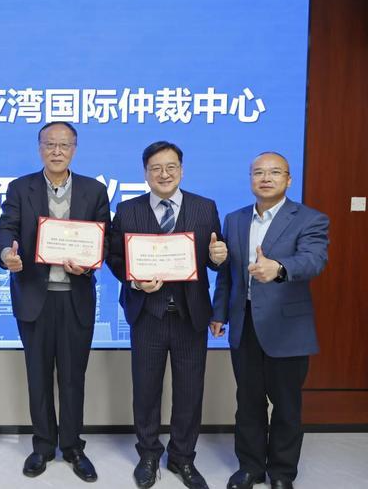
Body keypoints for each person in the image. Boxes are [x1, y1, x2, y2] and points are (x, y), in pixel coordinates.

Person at [0, 121, 110, 482]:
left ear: (74, 148)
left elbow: (105, 238)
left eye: (64, 145)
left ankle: (73, 447)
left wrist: (89, 262)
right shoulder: (20, 188)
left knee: (74, 377)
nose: (57, 151)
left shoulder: (94, 190)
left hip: (76, 297)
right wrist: (6, 255)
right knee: (38, 376)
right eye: (50, 144)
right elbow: (5, 228)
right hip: (34, 297)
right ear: (39, 147)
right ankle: (43, 446)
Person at [106, 141, 227, 489]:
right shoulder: (127, 210)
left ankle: (182, 457)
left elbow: (214, 257)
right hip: (147, 314)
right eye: (156, 168)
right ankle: (148, 454)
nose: (164, 174)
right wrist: (134, 280)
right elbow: (114, 256)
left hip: (191, 315)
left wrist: (218, 257)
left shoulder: (205, 208)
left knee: (190, 390)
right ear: (145, 173)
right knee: (146, 390)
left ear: (181, 170)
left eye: (171, 167)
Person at [211, 152, 329, 489]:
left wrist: (279, 268)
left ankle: (281, 472)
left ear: (288, 179)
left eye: (275, 172)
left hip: (287, 327)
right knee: (248, 402)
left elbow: (314, 260)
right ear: (250, 179)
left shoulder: (309, 219)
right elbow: (228, 274)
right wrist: (219, 313)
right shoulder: (234, 219)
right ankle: (250, 467)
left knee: (287, 405)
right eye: (259, 172)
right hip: (244, 323)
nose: (266, 178)